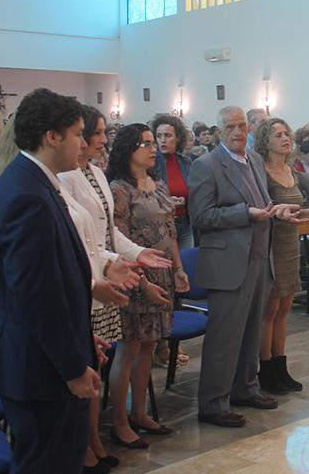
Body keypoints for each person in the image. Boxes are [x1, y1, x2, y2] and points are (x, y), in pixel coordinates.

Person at [0, 88, 100, 473]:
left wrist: (81, 338)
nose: (83, 144)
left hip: (39, 359)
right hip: (38, 369)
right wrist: (72, 366)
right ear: (52, 136)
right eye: (79, 133)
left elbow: (54, 278)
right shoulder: (27, 196)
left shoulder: (32, 182)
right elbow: (37, 297)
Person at [59, 107, 173, 468]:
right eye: (95, 133)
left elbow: (107, 232)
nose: (102, 139)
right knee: (93, 363)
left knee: (100, 359)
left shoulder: (93, 172)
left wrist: (139, 253)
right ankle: (88, 440)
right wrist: (122, 268)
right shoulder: (68, 177)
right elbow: (85, 238)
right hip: (96, 281)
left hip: (111, 272)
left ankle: (95, 436)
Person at [188, 106, 302, 428]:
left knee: (252, 332)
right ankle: (213, 403)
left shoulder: (252, 159)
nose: (238, 132)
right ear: (218, 131)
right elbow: (202, 217)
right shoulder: (206, 165)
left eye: (242, 126)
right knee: (224, 337)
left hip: (259, 257)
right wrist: (245, 213)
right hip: (227, 262)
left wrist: (277, 211)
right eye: (231, 127)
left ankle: (246, 388)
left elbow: (262, 204)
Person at [107, 124, 189, 448]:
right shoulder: (119, 189)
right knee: (128, 349)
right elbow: (120, 243)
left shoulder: (156, 185)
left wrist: (179, 269)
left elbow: (171, 233)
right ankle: (119, 421)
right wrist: (142, 284)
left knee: (148, 347)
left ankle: (140, 413)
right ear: (128, 149)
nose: (152, 148)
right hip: (135, 276)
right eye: (144, 143)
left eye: (153, 142)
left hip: (163, 274)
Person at [253, 119, 309, 395]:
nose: (285, 138)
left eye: (287, 133)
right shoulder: (260, 171)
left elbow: (298, 206)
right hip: (270, 244)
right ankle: (266, 370)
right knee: (269, 310)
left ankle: (281, 366)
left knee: (284, 308)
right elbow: (262, 208)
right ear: (265, 141)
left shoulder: (290, 169)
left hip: (290, 243)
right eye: (278, 135)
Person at [152, 114, 194, 249]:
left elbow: (194, 191)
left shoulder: (186, 162)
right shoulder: (151, 164)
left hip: (185, 223)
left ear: (178, 137)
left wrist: (186, 200)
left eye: (167, 135)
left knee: (186, 264)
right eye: (159, 136)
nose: (162, 140)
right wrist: (167, 201)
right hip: (162, 224)